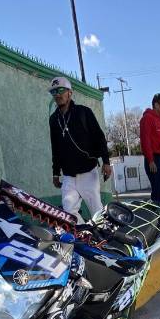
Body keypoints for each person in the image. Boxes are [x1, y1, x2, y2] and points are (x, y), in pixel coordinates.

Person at [48, 75, 112, 220]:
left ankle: (104, 233)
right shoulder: (54, 120)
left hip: (88, 172)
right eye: (53, 92)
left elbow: (99, 137)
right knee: (68, 213)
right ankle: (83, 233)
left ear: (70, 92)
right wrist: (56, 173)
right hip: (68, 176)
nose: (57, 94)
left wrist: (106, 162)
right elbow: (55, 147)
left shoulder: (83, 112)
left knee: (97, 212)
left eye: (61, 90)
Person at [139, 93, 160, 204]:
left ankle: (157, 213)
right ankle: (152, 213)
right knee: (157, 194)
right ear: (156, 105)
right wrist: (150, 160)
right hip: (153, 160)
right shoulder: (147, 118)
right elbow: (145, 140)